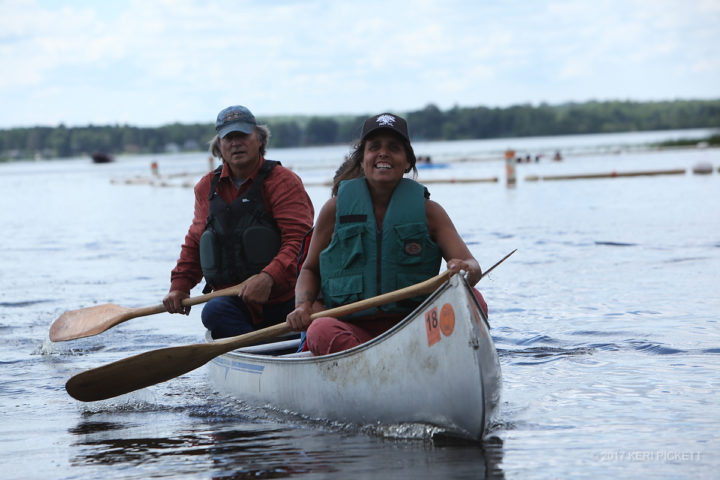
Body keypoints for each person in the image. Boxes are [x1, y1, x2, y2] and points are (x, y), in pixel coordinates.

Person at [286, 113, 487, 355]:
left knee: (472, 297)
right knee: (320, 329)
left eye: (394, 147)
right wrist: (302, 306)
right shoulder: (334, 209)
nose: (383, 153)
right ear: (362, 160)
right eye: (374, 147)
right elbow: (309, 270)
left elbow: (472, 265)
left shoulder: (430, 212)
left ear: (407, 163)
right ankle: (373, 369)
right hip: (354, 329)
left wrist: (464, 268)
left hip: (414, 329)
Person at [163, 105, 314, 338]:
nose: (236, 143)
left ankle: (268, 348)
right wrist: (179, 286)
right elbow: (195, 241)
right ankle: (259, 353)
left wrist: (267, 277)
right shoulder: (206, 187)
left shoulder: (284, 182)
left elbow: (300, 242)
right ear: (219, 145)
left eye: (243, 135)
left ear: (259, 139)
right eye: (228, 137)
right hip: (235, 303)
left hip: (286, 299)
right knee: (213, 313)